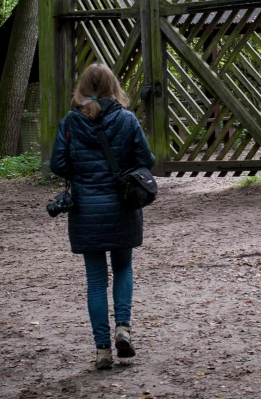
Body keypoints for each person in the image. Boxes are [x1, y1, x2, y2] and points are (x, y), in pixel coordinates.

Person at [49, 63, 156, 370]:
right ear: (113, 87)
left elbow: (58, 164)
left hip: (86, 210)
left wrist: (81, 169)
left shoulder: (70, 122)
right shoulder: (127, 118)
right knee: (123, 268)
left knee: (96, 281)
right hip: (122, 206)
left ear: (81, 88)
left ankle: (102, 351)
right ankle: (123, 326)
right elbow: (146, 159)